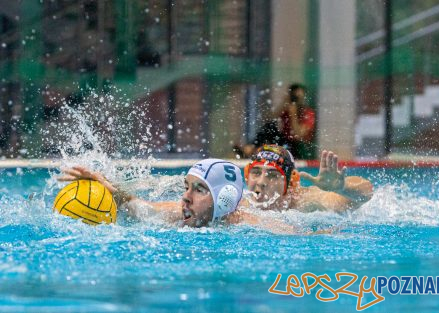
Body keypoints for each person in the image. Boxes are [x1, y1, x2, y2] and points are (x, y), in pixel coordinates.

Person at [58, 158, 297, 233]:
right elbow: (139, 207)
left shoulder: (253, 226)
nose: (185, 197)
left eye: (200, 189)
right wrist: (112, 190)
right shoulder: (177, 213)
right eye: (187, 186)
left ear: (223, 200)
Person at [242, 144, 373, 212]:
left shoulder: (304, 201)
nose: (261, 182)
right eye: (256, 172)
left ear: (290, 182)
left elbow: (367, 192)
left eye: (273, 175)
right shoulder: (239, 203)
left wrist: (342, 188)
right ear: (247, 175)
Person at [233, 83, 315, 159]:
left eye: (298, 97)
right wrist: (284, 103)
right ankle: (251, 148)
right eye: (294, 97)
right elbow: (269, 118)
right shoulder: (287, 109)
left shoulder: (308, 113)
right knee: (270, 126)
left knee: (281, 140)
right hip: (284, 143)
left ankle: (251, 151)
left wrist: (293, 116)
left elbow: (298, 135)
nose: (296, 100)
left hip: (297, 147)